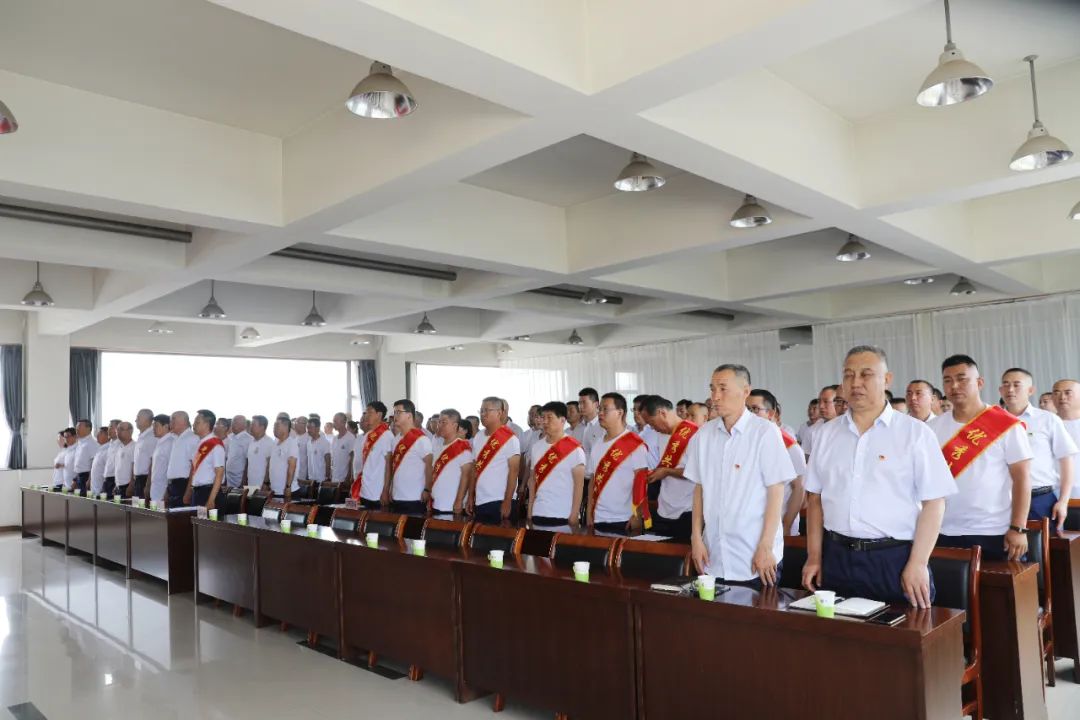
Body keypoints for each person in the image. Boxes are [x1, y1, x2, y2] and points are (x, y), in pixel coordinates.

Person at [803, 346, 955, 606]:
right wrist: (814, 556)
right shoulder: (826, 434)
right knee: (839, 630)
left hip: (893, 559)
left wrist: (918, 562)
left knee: (902, 629)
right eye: (848, 375)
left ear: (886, 379)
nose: (855, 383)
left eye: (866, 374)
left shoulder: (914, 433)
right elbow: (815, 499)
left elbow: (934, 502)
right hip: (836, 557)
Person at [685, 365, 794, 589]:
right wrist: (696, 538)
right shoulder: (703, 435)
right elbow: (699, 489)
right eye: (712, 389)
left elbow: (776, 491)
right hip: (714, 555)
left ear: (745, 391)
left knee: (757, 611)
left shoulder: (765, 432)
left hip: (755, 556)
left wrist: (766, 546)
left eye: (723, 388)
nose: (715, 396)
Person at [930, 355, 1032, 562]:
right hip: (942, 529)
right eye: (948, 380)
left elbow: (1022, 479)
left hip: (993, 530)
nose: (954, 386)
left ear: (979, 382)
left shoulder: (1007, 425)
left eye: (962, 379)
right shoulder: (931, 429)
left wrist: (1018, 528)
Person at [999, 368, 1076, 528]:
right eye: (1006, 384)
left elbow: (1066, 461)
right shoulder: (991, 421)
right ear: (1000, 390)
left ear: (1030, 390)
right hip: (1001, 500)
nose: (1010, 389)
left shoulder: (1048, 420)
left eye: (1016, 385)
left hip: (1040, 499)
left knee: (1043, 544)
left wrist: (1063, 501)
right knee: (1003, 544)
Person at [586, 392, 650, 534]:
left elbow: (641, 481)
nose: (600, 413)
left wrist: (637, 515)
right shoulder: (597, 444)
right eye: (599, 409)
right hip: (598, 518)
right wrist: (589, 512)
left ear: (620, 413)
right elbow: (593, 481)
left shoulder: (634, 443)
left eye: (605, 409)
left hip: (624, 519)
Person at [747, 389, 806, 537]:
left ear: (771, 413)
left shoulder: (788, 445)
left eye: (755, 409)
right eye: (747, 409)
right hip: (750, 526)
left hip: (779, 526)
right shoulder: (745, 442)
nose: (749, 414)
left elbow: (799, 489)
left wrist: (786, 525)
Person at [643, 395, 699, 542]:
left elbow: (697, 472)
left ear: (662, 413)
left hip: (687, 510)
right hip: (664, 508)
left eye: (652, 422)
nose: (652, 428)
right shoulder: (661, 435)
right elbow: (665, 466)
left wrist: (667, 471)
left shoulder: (694, 434)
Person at [528, 401, 586, 528]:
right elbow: (532, 480)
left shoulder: (574, 448)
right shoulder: (536, 447)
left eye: (549, 417)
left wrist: (574, 513)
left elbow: (579, 485)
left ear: (562, 420)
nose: (545, 421)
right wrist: (530, 509)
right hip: (539, 512)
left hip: (563, 515)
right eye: (543, 417)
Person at [470, 397, 521, 523]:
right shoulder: (478, 436)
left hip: (500, 500)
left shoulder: (510, 438)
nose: (483, 414)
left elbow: (514, 472)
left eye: (487, 410)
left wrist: (507, 501)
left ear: (499, 413)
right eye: (481, 410)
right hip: (481, 500)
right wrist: (471, 496)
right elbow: (474, 469)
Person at [386, 399, 432, 514]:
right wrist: (390, 488)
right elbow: (394, 467)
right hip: (397, 496)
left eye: (398, 412)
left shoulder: (422, 439)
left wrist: (427, 489)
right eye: (394, 412)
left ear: (409, 415)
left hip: (415, 498)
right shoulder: (396, 439)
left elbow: (429, 466)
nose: (395, 416)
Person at [430, 409, 472, 515]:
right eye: (439, 422)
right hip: (436, 504)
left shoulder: (462, 447)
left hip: (452, 507)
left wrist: (459, 501)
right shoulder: (438, 447)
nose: (439, 425)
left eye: (444, 422)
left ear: (455, 425)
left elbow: (466, 476)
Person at [353, 402, 394, 509]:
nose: (366, 416)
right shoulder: (367, 435)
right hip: (364, 490)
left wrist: (386, 490)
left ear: (379, 415)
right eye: (366, 413)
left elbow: (389, 466)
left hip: (377, 493)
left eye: (370, 412)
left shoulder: (386, 435)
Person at [183, 409, 225, 509]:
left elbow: (219, 473)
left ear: (206, 425)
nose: (193, 425)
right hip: (197, 492)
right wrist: (189, 491)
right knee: (195, 519)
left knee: (206, 520)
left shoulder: (215, 445)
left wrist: (211, 499)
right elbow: (194, 470)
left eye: (197, 422)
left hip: (208, 492)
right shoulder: (199, 443)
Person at [1053, 379, 1080, 499]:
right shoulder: (1046, 424)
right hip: (1054, 494)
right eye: (1056, 393)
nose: (1062, 397)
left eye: (1068, 393)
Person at [165, 411, 198, 507]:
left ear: (183, 421)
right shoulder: (175, 438)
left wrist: (189, 491)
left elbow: (195, 466)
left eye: (172, 420)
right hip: (172, 486)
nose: (170, 423)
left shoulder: (192, 438)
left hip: (183, 485)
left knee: (182, 515)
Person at [268, 416, 299, 500]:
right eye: (274, 425)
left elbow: (292, 467)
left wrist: (288, 486)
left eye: (277, 425)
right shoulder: (275, 443)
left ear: (285, 427)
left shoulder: (291, 443)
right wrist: (267, 482)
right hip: (274, 490)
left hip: (287, 491)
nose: (274, 428)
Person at [803, 385, 839, 459]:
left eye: (826, 402)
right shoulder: (811, 431)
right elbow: (806, 459)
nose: (821, 406)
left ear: (838, 402)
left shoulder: (847, 427)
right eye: (819, 402)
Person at [148, 414, 173, 503]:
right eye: (153, 426)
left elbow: (171, 468)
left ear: (166, 426)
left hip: (163, 491)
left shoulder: (170, 442)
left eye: (156, 426)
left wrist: (167, 491)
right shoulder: (159, 442)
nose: (153, 429)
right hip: (156, 490)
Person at [132, 408, 157, 499]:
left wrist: (148, 484)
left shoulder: (152, 436)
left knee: (144, 506)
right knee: (136, 506)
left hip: (146, 479)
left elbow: (153, 461)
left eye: (138, 418)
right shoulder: (141, 436)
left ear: (146, 420)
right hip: (138, 479)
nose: (135, 420)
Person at [573, 387, 604, 458]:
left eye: (584, 403)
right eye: (579, 403)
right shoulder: (577, 428)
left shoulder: (603, 426)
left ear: (596, 404)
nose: (580, 406)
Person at [245, 415, 273, 490]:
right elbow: (248, 462)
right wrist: (245, 480)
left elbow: (270, 465)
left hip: (262, 485)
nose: (250, 427)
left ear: (262, 427)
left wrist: (266, 483)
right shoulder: (251, 441)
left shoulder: (269, 443)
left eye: (253, 425)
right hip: (250, 484)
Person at [225, 415, 252, 489]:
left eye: (235, 423)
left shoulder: (248, 439)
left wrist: (244, 480)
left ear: (243, 425)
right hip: (228, 477)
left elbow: (248, 461)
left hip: (239, 479)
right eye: (232, 423)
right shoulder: (230, 437)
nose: (232, 425)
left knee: (237, 496)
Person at [71, 419, 97, 494]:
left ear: (88, 428)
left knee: (83, 499)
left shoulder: (92, 443)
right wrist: (75, 480)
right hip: (79, 476)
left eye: (79, 427)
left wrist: (90, 480)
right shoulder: (80, 442)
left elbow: (94, 464)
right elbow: (79, 464)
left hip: (86, 477)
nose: (76, 429)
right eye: (76, 427)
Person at [306, 414, 333, 484]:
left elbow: (328, 460)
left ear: (318, 428)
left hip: (322, 479)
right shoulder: (308, 443)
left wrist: (327, 477)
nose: (308, 430)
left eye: (310, 428)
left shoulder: (325, 442)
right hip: (311, 478)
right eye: (307, 428)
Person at [113, 422, 137, 498]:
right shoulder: (119, 447)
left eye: (121, 429)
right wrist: (116, 485)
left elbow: (135, 468)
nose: (118, 432)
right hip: (118, 486)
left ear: (130, 431)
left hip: (128, 486)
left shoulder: (135, 447)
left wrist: (131, 485)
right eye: (117, 429)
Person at [331, 412, 356, 483]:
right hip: (334, 477)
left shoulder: (350, 437)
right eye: (333, 421)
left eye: (335, 421)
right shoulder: (334, 438)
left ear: (343, 422)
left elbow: (353, 458)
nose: (333, 424)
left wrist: (349, 476)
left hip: (344, 479)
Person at [88, 427, 110, 497]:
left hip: (101, 490)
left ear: (108, 436)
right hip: (94, 489)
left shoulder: (108, 451)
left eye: (100, 433)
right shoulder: (99, 449)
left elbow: (108, 471)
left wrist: (104, 488)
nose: (97, 435)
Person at [102, 419, 120, 497]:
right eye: (109, 427)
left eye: (111, 427)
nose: (108, 429)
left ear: (118, 429)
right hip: (107, 478)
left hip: (115, 479)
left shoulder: (121, 444)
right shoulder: (110, 444)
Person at [293, 416, 309, 483]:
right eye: (295, 422)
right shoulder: (292, 437)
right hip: (291, 474)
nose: (295, 424)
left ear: (304, 424)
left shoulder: (309, 438)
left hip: (303, 475)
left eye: (297, 422)